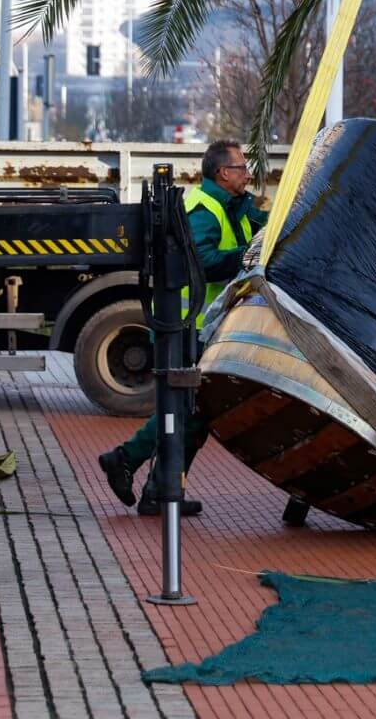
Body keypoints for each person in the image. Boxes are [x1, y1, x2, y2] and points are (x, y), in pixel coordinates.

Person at [99, 139, 266, 516]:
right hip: (184, 325)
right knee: (186, 409)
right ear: (224, 173)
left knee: (194, 411)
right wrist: (247, 258)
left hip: (197, 324)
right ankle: (125, 459)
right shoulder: (204, 210)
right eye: (242, 168)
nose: (248, 174)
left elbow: (264, 227)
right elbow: (201, 262)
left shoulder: (232, 206)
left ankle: (159, 489)